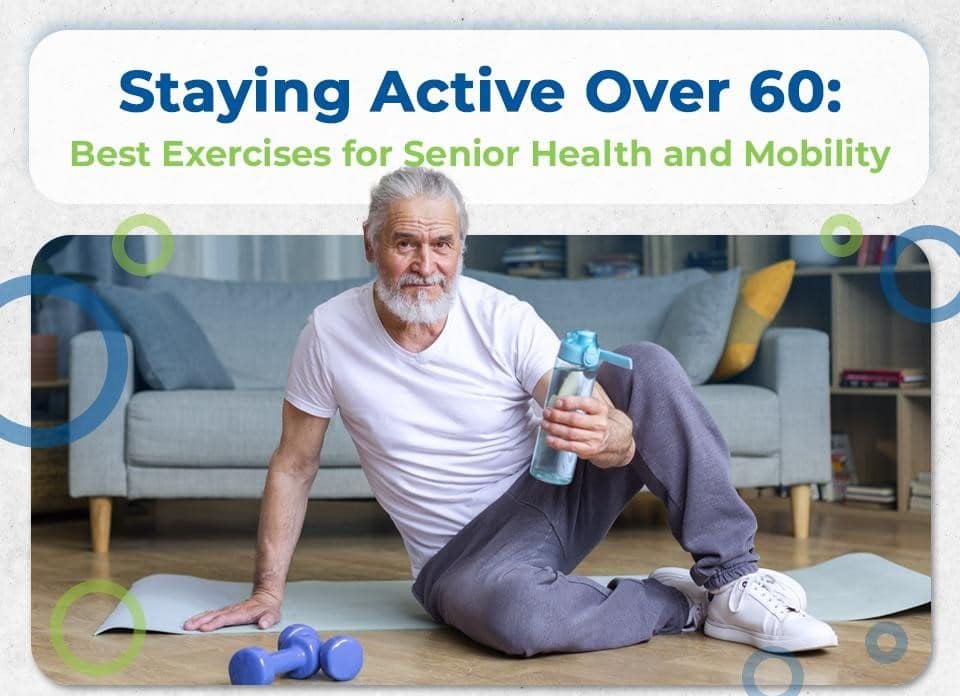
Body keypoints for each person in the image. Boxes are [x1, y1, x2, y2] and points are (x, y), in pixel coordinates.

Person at [184, 167, 838, 656]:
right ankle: (685, 605)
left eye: (442, 245)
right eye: (405, 243)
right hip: (459, 563)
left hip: (548, 495)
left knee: (650, 365)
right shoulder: (328, 333)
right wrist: (268, 590)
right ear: (370, 243)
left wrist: (611, 435)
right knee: (520, 620)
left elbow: (610, 434)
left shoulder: (502, 317)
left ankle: (732, 578)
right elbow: (294, 465)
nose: (425, 265)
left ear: (462, 247)